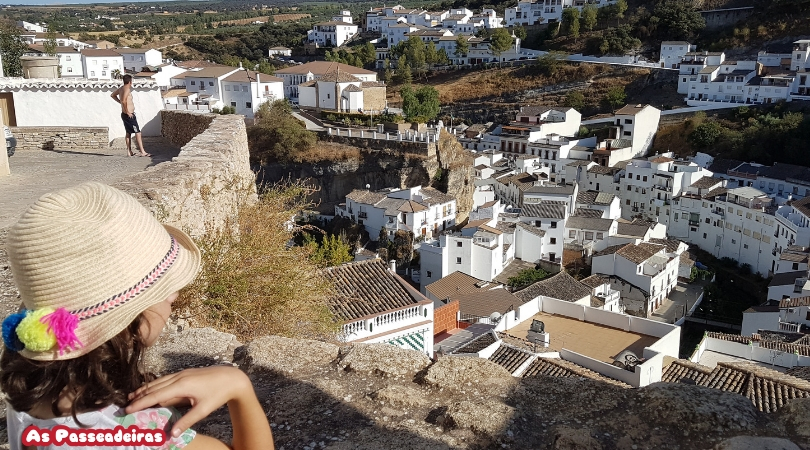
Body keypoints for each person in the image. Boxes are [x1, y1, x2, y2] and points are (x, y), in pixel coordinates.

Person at [0, 182, 274, 450]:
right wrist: (237, 385)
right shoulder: (137, 429)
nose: (174, 296)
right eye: (164, 288)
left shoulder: (27, 389)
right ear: (129, 319)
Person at [111, 75, 151, 157]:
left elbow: (113, 95)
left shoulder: (121, 88)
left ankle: (129, 152)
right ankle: (142, 151)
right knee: (138, 132)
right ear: (130, 82)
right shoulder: (127, 88)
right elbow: (124, 100)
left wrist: (120, 103)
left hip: (124, 114)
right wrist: (127, 111)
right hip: (129, 115)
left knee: (128, 133)